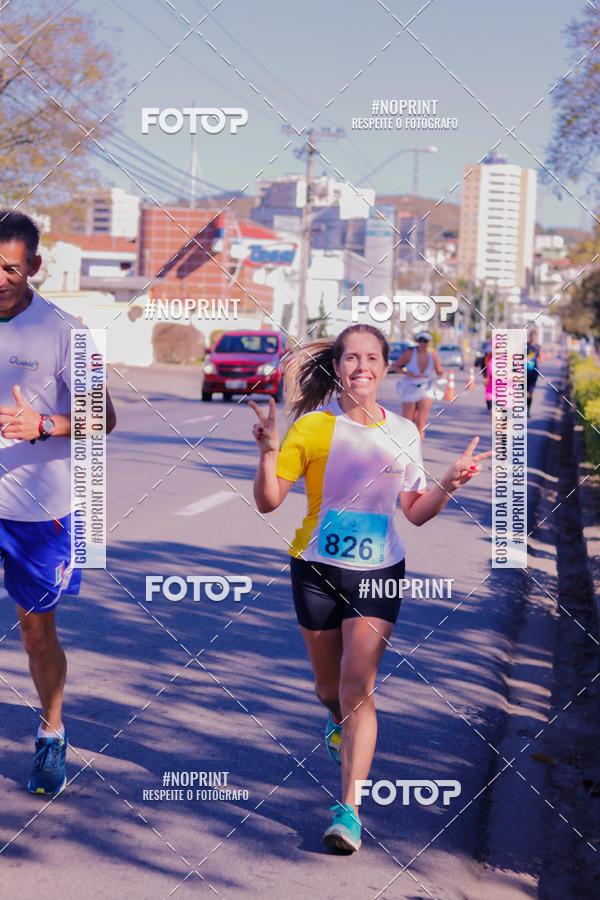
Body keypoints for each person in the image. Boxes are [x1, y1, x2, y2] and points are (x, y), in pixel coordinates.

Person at [250, 324, 491, 853]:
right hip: (315, 568)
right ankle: (336, 723)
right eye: (351, 358)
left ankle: (348, 812)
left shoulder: (405, 432)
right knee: (328, 690)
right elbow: (269, 502)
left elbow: (416, 513)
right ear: (337, 367)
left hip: (379, 571)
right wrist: (268, 453)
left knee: (359, 685)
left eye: (372, 358)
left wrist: (449, 483)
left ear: (386, 368)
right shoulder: (312, 429)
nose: (361, 366)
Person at [0, 210, 116, 795]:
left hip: (37, 512)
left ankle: (51, 731)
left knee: (36, 635)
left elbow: (106, 417)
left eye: (9, 268)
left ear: (35, 267)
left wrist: (42, 422)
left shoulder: (66, 331)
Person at [393, 331, 444, 440]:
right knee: (407, 423)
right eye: (420, 340)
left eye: (425, 341)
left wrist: (441, 374)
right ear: (417, 341)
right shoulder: (410, 353)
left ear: (429, 342)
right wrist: (406, 373)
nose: (422, 343)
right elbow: (395, 366)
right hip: (411, 387)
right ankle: (407, 447)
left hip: (426, 387)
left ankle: (417, 451)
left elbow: (439, 370)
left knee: (420, 425)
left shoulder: (433, 355)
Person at [526, 328, 541, 416]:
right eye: (531, 336)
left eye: (534, 336)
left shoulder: (538, 347)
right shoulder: (526, 346)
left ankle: (528, 410)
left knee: (531, 392)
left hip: (534, 372)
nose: (533, 338)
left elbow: (540, 358)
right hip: (524, 372)